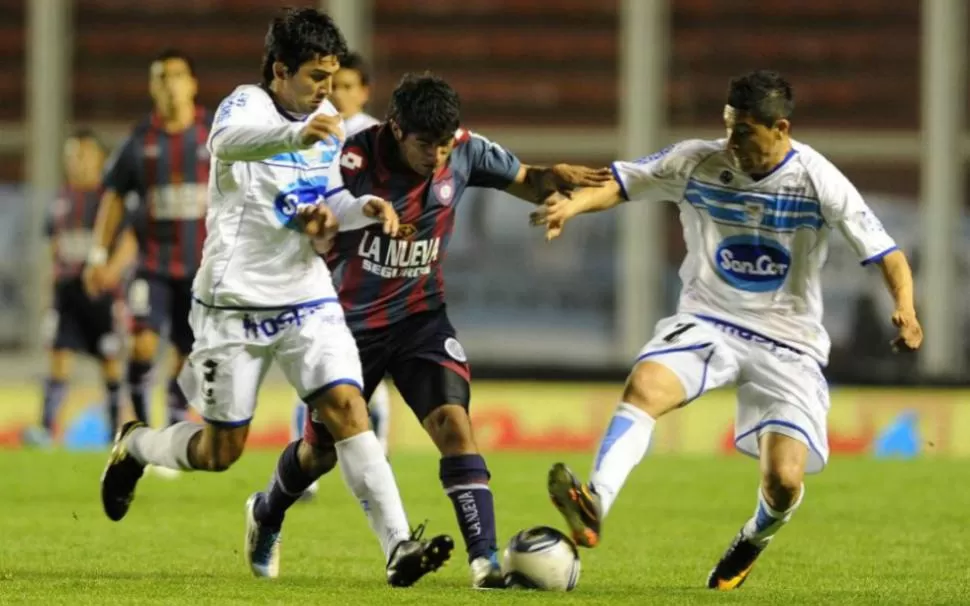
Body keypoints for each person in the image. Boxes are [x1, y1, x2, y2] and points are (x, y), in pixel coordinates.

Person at [98, 8, 453, 588]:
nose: (327, 89)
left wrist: (362, 209)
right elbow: (225, 143)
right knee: (220, 452)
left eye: (334, 76)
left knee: (347, 410)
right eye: (317, 76)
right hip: (233, 304)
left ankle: (398, 546)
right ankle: (136, 445)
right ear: (280, 70)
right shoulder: (246, 105)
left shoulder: (325, 119)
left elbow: (327, 197)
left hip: (307, 297)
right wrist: (295, 132)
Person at [531, 70, 924, 590]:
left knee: (783, 482)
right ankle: (597, 500)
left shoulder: (818, 180)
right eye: (728, 127)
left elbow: (888, 254)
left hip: (789, 343)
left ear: (780, 127)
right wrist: (573, 206)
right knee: (645, 385)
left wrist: (907, 309)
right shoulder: (697, 160)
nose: (731, 141)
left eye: (744, 131)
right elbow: (622, 185)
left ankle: (754, 538)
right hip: (709, 321)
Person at [250, 72, 612, 588]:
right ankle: (267, 511)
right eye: (426, 144)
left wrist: (555, 181)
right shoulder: (352, 159)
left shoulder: (466, 150)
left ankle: (485, 563)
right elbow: (313, 210)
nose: (437, 156)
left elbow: (527, 179)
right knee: (319, 454)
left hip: (421, 316)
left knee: (454, 425)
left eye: (444, 143)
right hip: (347, 326)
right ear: (395, 129)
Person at [85, 49, 211, 440]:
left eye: (177, 75)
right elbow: (114, 198)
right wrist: (98, 255)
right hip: (153, 265)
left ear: (192, 83)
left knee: (189, 354)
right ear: (153, 88)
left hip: (203, 270)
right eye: (162, 77)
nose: (170, 85)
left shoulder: (217, 137)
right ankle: (139, 429)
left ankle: (174, 427)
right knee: (141, 346)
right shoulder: (140, 142)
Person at [292, 51, 389, 501]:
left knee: (369, 367)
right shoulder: (312, 130)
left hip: (366, 262)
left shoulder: (375, 135)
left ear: (365, 91)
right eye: (337, 86)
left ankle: (375, 459)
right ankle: (307, 461)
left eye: (351, 86)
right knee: (316, 361)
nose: (342, 94)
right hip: (321, 259)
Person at [23, 129, 137, 447]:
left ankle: (118, 433)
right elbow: (54, 247)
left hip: (103, 296)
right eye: (72, 156)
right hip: (68, 294)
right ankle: (45, 430)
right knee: (59, 358)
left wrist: (112, 272)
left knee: (111, 364)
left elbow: (128, 241)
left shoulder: (110, 199)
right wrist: (50, 293)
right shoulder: (61, 199)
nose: (77, 163)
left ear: (100, 159)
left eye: (84, 155)